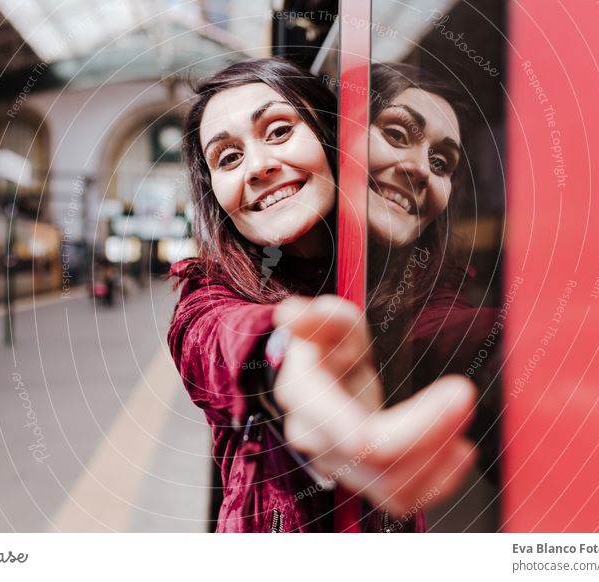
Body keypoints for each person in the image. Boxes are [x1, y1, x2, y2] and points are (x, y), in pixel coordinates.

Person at [168, 58, 477, 532]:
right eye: (227, 158)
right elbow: (218, 340)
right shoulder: (207, 295)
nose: (258, 166)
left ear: (333, 138)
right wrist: (286, 364)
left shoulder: (423, 284)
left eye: (278, 130)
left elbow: (461, 328)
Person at [364, 62, 501, 484]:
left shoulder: (427, 302)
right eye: (396, 134)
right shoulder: (230, 292)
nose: (421, 169)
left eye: (441, 163)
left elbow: (462, 338)